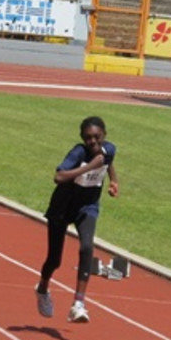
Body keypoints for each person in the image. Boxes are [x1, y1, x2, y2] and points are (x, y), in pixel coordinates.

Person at [34, 116, 120, 324]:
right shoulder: (78, 153)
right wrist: (89, 166)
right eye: (88, 138)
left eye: (97, 137)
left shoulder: (109, 149)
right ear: (82, 138)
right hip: (62, 208)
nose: (93, 142)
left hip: (87, 207)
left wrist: (114, 181)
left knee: (87, 247)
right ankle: (43, 288)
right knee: (55, 260)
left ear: (104, 136)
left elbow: (108, 163)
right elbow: (58, 177)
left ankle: (78, 304)